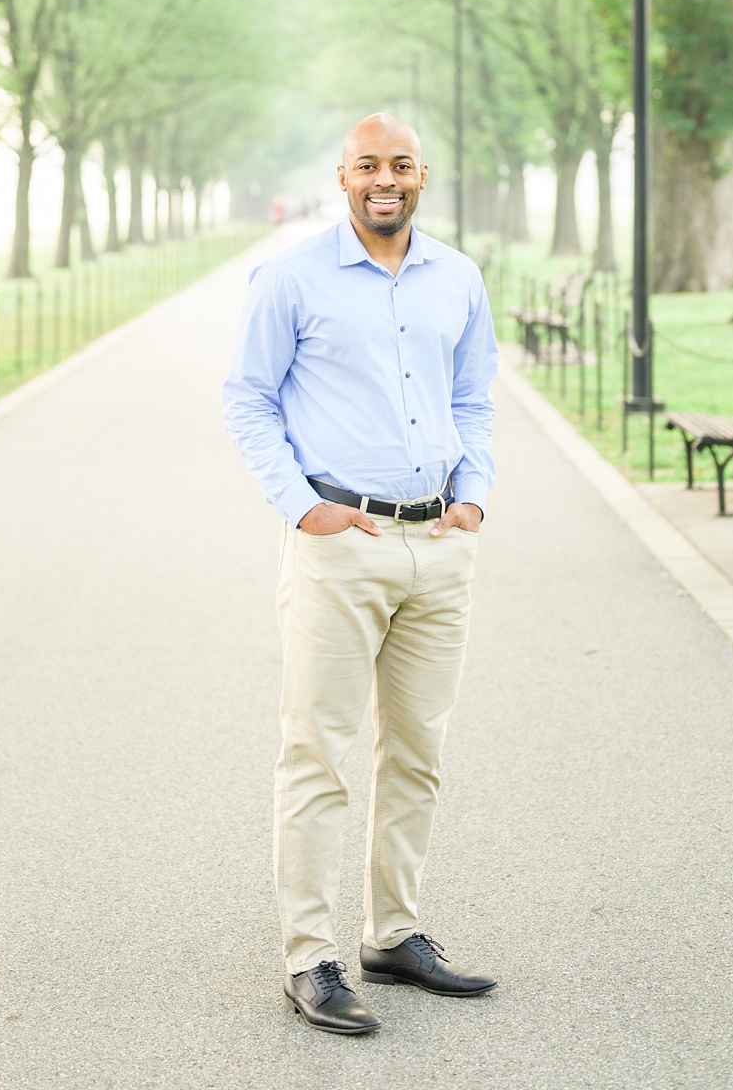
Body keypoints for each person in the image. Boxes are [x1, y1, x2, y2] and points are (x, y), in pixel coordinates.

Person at [223, 113, 502, 1035]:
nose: (386, 179)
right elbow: (249, 399)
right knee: (318, 752)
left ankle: (395, 934)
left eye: (403, 165)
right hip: (342, 544)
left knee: (418, 750)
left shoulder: (457, 277)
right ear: (343, 176)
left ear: (424, 174)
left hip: (441, 546)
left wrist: (474, 498)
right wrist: (304, 508)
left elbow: (473, 397)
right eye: (368, 166)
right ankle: (310, 956)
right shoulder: (293, 278)